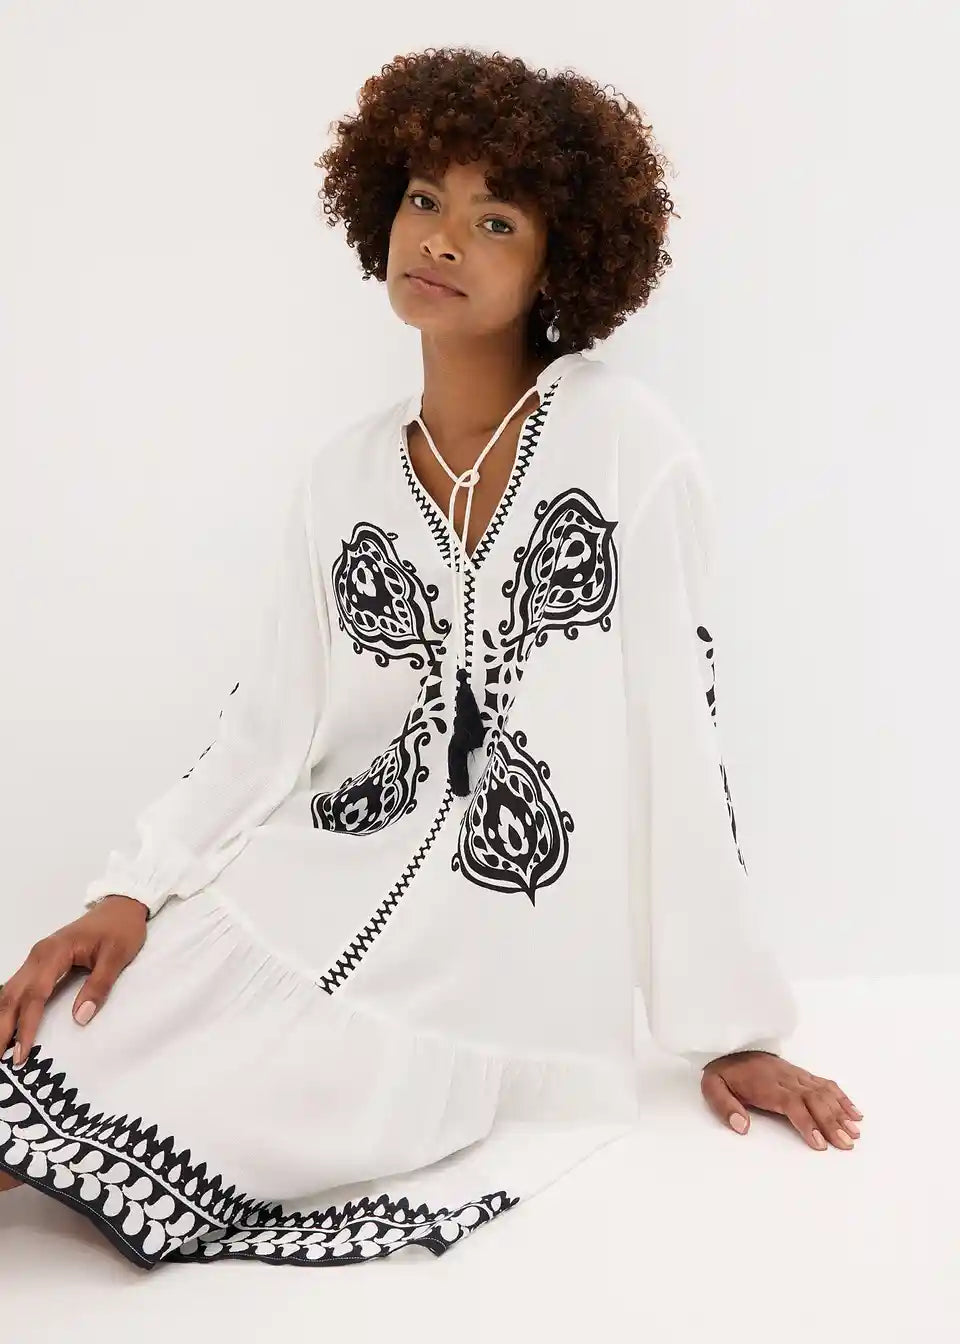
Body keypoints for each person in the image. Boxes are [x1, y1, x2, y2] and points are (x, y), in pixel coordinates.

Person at [0, 46, 862, 1270]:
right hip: (292, 904)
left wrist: (731, 1029)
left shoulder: (628, 447)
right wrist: (132, 890)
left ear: (560, 261)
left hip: (484, 979)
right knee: (44, 1057)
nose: (443, 240)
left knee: (167, 1114)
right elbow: (268, 727)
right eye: (423, 200)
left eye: (495, 220)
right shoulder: (341, 478)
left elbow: (679, 737)